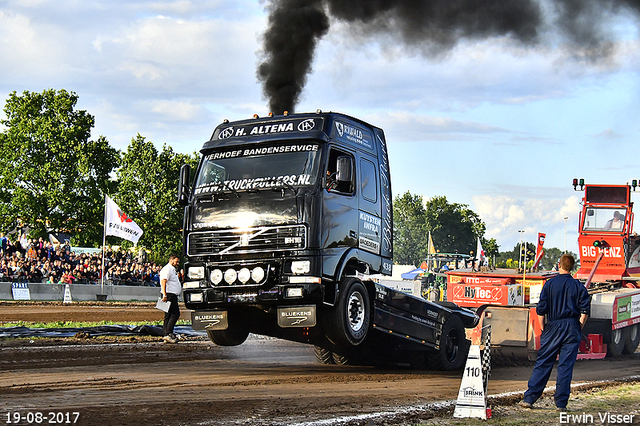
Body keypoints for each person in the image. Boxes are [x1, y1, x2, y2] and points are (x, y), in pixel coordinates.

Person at [519, 254, 590, 411]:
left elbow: (541, 310)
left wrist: (543, 328)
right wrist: (579, 326)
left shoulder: (550, 284)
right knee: (566, 366)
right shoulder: (579, 286)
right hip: (572, 326)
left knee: (544, 362)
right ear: (572, 267)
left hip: (553, 326)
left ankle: (530, 398)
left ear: (559, 265)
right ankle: (561, 403)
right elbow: (585, 310)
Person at [160, 254, 182, 343]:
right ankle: (168, 333)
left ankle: (166, 334)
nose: (177, 263)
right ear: (171, 260)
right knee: (175, 314)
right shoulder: (167, 269)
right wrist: (164, 294)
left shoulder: (172, 270)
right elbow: (163, 281)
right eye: (176, 261)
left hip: (171, 295)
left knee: (168, 315)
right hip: (169, 295)